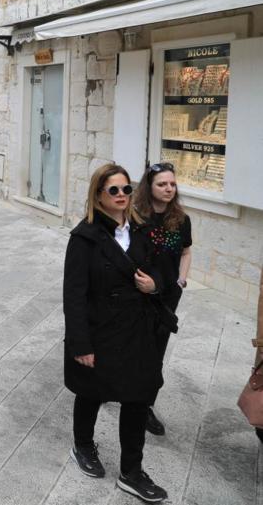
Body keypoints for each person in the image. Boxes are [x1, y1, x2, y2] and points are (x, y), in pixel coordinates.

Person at [64, 164, 169, 503]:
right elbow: (73, 295)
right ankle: (83, 445)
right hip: (100, 330)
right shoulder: (84, 238)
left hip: (137, 330)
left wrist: (154, 284)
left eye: (126, 189)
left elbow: (160, 270)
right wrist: (80, 344)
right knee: (91, 392)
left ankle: (132, 472)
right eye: (114, 190)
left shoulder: (142, 229)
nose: (122, 195)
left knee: (137, 398)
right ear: (98, 195)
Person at [133, 161, 192, 436]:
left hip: (167, 297)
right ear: (149, 187)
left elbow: (186, 252)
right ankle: (117, 387)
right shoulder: (135, 217)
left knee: (156, 350)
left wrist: (181, 280)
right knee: (131, 345)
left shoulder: (181, 219)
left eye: (172, 184)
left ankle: (145, 406)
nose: (169, 189)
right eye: (162, 184)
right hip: (137, 295)